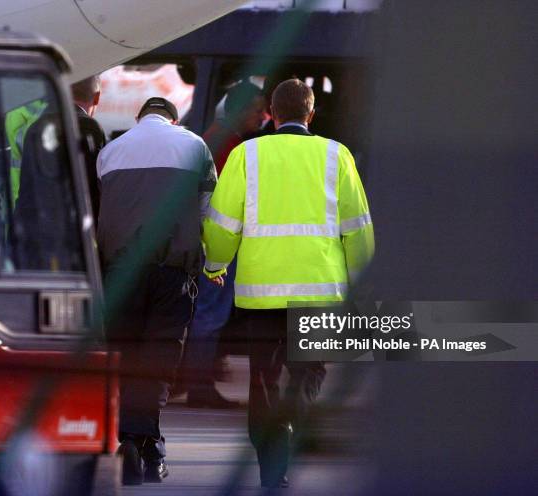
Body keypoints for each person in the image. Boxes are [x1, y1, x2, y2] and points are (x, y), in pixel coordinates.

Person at [202, 79, 374, 488]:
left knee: (264, 376)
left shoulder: (248, 154)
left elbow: (223, 223)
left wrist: (215, 265)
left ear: (273, 115)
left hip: (261, 293)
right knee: (308, 371)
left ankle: (271, 462)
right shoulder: (337, 155)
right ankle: (293, 423)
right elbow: (357, 228)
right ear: (311, 115)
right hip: (318, 289)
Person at [97, 97, 216, 485]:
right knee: (160, 356)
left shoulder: (110, 151)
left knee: (127, 355)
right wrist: (211, 262)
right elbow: (206, 211)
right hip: (172, 269)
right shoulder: (194, 145)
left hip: (119, 270)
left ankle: (136, 440)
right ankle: (141, 441)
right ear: (174, 119)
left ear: (138, 118)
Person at [183, 81, 267, 408]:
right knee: (210, 315)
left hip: (210, 240)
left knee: (207, 313)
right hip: (218, 244)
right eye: (257, 110)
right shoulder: (228, 145)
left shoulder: (214, 137)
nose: (262, 117)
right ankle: (199, 387)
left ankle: (196, 381)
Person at [71, 75, 106, 224]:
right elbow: (94, 183)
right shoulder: (89, 127)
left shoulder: (38, 123)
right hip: (77, 224)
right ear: (96, 97)